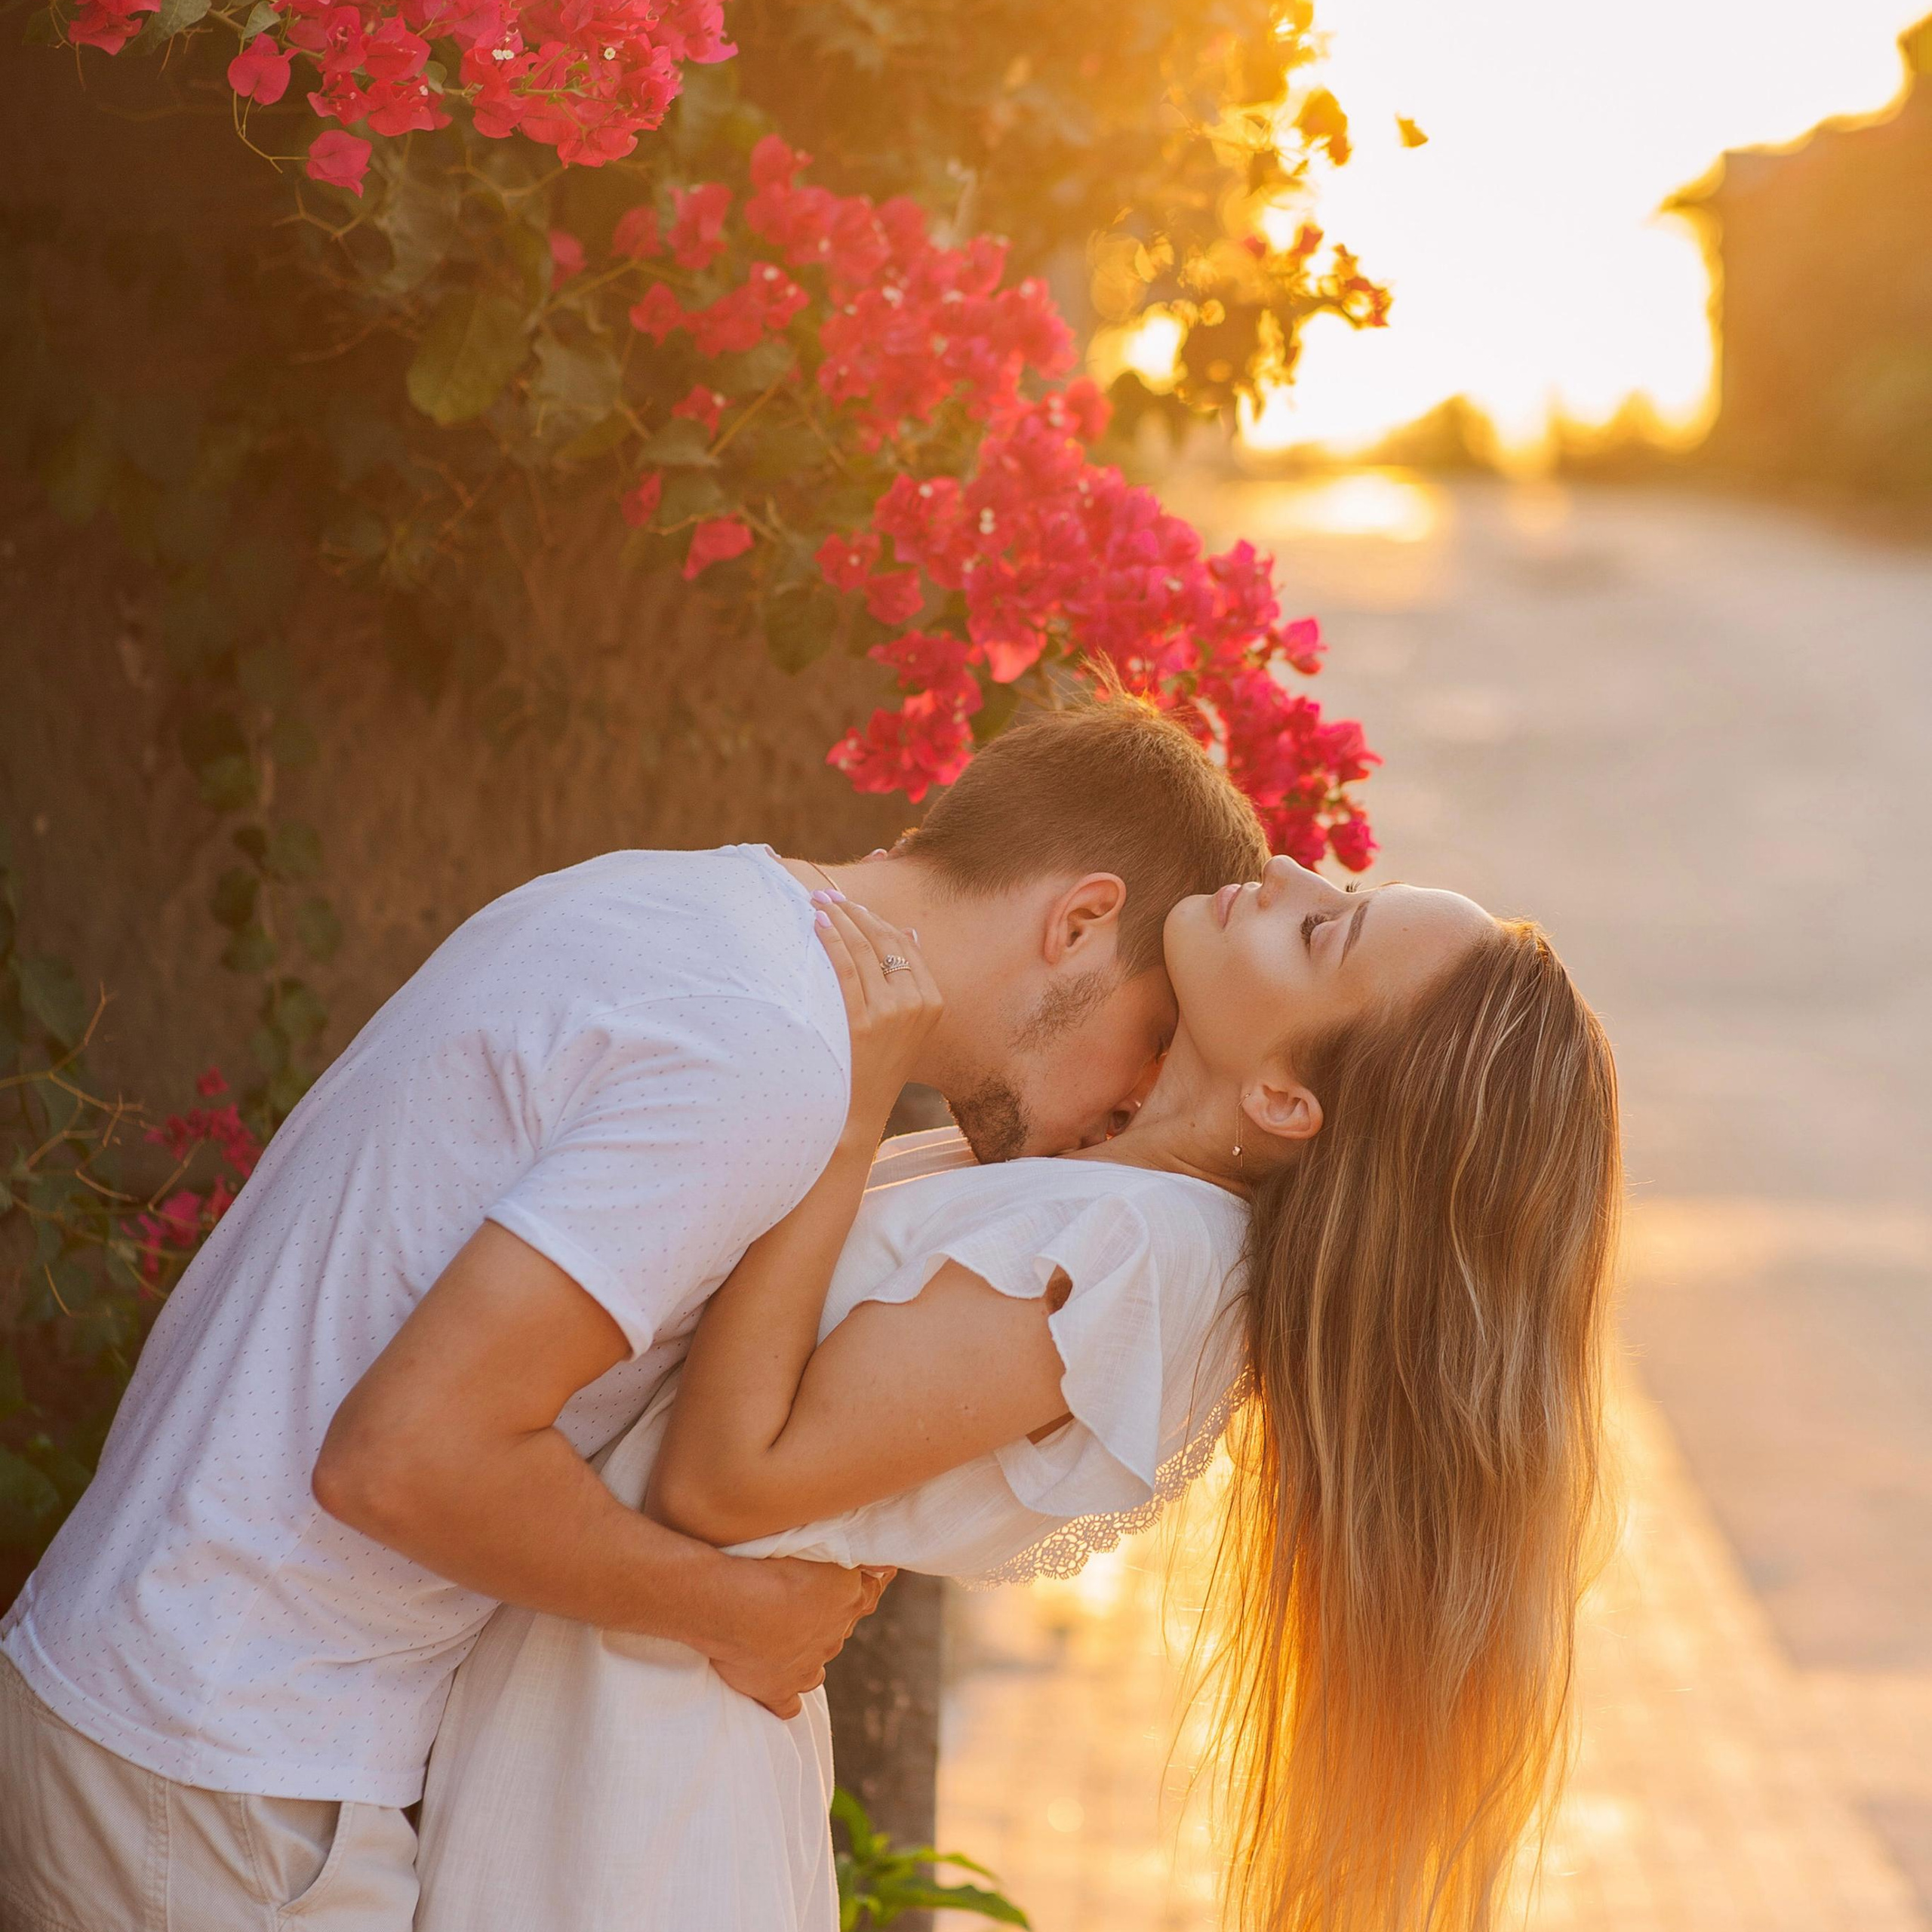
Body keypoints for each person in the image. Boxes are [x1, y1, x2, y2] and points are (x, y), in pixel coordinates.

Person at [0, 701, 1271, 1932]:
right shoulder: (765, 1050)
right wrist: (749, 1614)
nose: (1128, 1107)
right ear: (1083, 922)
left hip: (164, 1708)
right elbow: (403, 1460)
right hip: (231, 1770)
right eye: (1151, 1036)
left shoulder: (685, 901)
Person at [411, 854, 1622, 1932]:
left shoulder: (1137, 1257)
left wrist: (854, 1114)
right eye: (1339, 893)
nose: (1296, 870)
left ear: (1286, 1101)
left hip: (628, 1780)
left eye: (1325, 935)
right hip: (610, 1700)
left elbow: (726, 1482)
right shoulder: (1107, 1188)